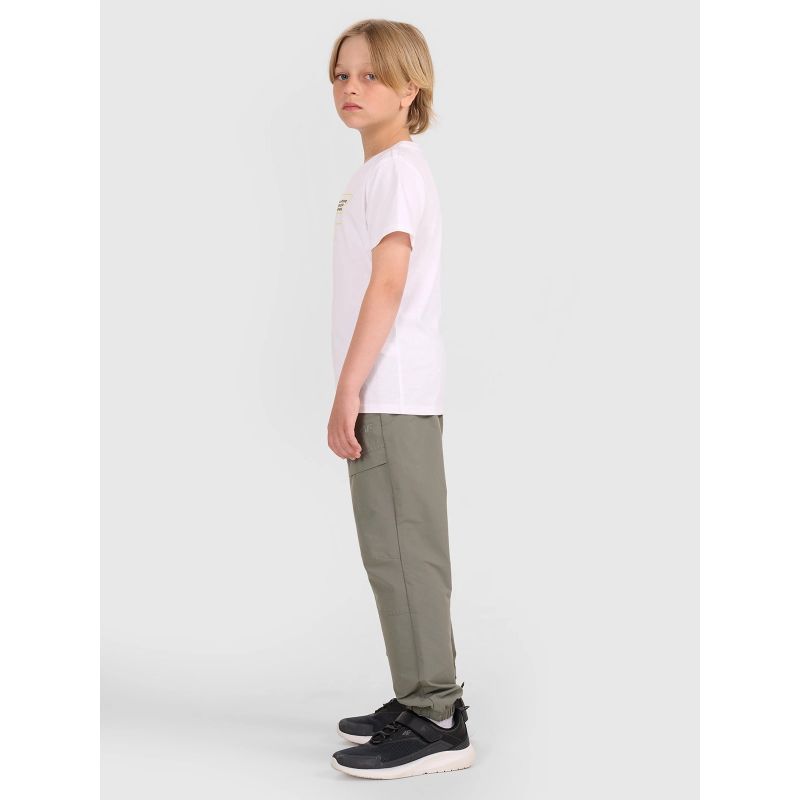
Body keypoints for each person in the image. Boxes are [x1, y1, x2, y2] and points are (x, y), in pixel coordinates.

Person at [326, 19, 475, 779]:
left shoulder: (393, 172)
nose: (351, 88)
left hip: (390, 390)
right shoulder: (385, 170)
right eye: (341, 75)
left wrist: (348, 388)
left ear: (410, 88)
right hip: (395, 390)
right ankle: (421, 697)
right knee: (399, 551)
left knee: (403, 553)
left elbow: (388, 284)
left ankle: (436, 721)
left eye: (371, 76)